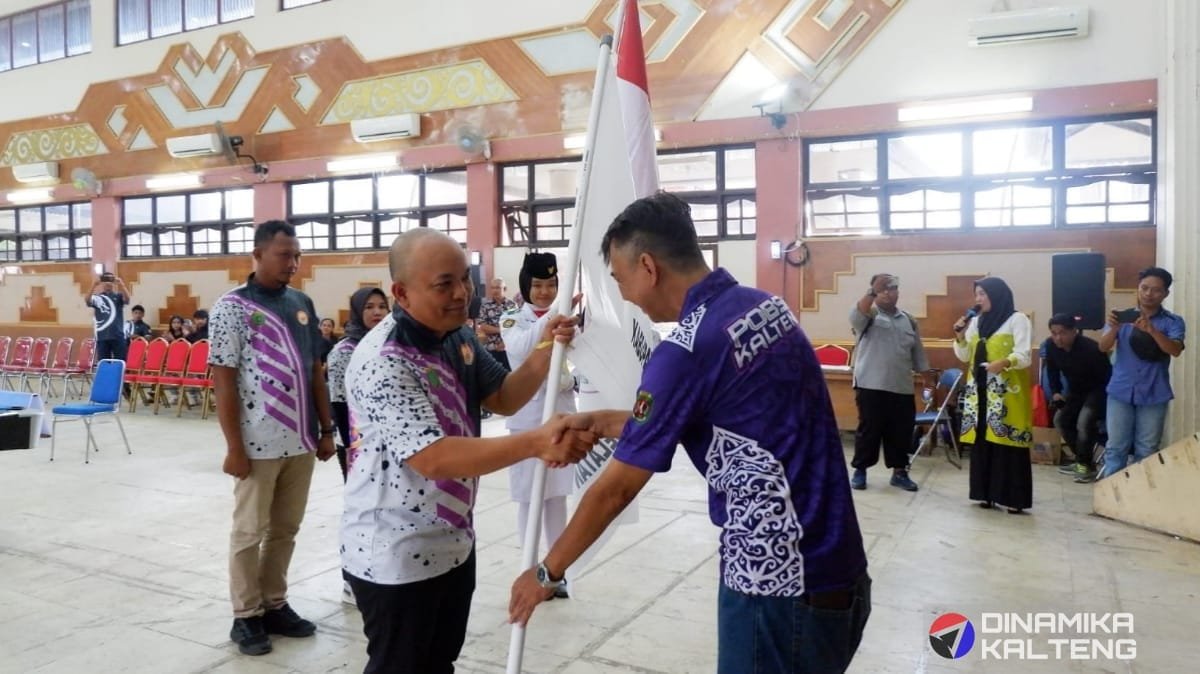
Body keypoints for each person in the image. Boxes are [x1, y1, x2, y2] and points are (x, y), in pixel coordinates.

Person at [509, 193, 870, 674]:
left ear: (647, 266)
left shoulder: (685, 349)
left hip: (775, 586)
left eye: (620, 280)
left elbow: (615, 490)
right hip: (838, 565)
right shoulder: (764, 308)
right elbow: (713, 416)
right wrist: (598, 422)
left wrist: (545, 572)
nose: (625, 296)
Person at [341, 228, 594, 674]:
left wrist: (545, 347)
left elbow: (503, 396)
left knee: (439, 662)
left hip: (452, 539)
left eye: (465, 280)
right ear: (401, 292)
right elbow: (433, 457)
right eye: (444, 284)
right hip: (395, 549)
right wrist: (535, 441)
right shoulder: (386, 359)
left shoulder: (457, 337)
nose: (462, 294)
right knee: (400, 665)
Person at [208, 220, 336, 657]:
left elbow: (315, 370)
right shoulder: (231, 308)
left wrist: (325, 429)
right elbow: (223, 380)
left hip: (299, 442)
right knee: (249, 531)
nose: (293, 264)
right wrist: (233, 448)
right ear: (258, 254)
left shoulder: (302, 303)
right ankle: (246, 616)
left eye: (297, 256)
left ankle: (274, 604)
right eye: (285, 255)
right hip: (255, 444)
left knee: (285, 530)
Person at [501, 253, 576, 599]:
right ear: (525, 287)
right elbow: (522, 346)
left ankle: (556, 572)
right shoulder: (512, 320)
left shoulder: (569, 319)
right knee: (530, 500)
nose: (544, 292)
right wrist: (556, 314)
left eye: (551, 286)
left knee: (556, 497)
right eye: (538, 286)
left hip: (561, 418)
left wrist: (571, 379)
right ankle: (529, 568)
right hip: (528, 423)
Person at [953, 277, 1033, 514]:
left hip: (1006, 394)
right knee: (983, 442)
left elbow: (1025, 355)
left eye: (982, 294)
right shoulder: (976, 323)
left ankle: (1013, 498)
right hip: (979, 392)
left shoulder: (1017, 320)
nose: (978, 299)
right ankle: (985, 494)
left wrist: (1005, 362)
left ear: (997, 295)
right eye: (976, 294)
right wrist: (959, 335)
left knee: (1007, 443)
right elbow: (965, 356)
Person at [848, 272, 932, 492]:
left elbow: (918, 354)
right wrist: (871, 291)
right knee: (869, 430)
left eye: (891, 287)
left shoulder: (909, 320)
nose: (887, 292)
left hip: (901, 386)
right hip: (870, 385)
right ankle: (860, 471)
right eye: (882, 288)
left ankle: (899, 473)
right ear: (875, 291)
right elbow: (856, 315)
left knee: (901, 431)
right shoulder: (869, 315)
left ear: (898, 291)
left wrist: (927, 378)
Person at [1099, 267, 1185, 477]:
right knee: (1116, 447)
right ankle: (1111, 501)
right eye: (1144, 288)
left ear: (1165, 294)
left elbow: (1175, 350)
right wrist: (1115, 328)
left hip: (1155, 392)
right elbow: (1102, 347)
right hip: (1120, 391)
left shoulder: (1173, 322)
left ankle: (1139, 503)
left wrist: (1152, 330)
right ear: (1137, 290)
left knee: (1146, 450)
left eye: (1156, 290)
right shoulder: (1121, 317)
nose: (1148, 294)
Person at [327, 287, 390, 477]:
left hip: (387, 438)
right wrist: (350, 448)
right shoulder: (345, 351)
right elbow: (339, 403)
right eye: (369, 307)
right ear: (357, 311)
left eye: (382, 306)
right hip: (357, 442)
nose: (377, 312)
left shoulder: (389, 344)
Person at [1042, 313, 1111, 483]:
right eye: (1054, 333)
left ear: (1074, 332)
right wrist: (1056, 391)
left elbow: (1106, 376)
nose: (1058, 338)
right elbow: (1051, 369)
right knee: (1060, 420)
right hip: (1076, 390)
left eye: (1062, 333)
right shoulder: (1050, 346)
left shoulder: (1090, 348)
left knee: (1084, 422)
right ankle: (1082, 460)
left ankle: (1084, 466)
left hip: (1098, 390)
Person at [85, 271, 130, 362]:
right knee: (104, 362)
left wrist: (122, 285)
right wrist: (93, 285)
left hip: (118, 335)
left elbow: (127, 299)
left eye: (110, 280)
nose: (108, 283)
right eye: (105, 280)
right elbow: (87, 300)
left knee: (120, 361)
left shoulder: (118, 296)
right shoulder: (97, 298)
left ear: (113, 283)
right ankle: (106, 376)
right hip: (102, 336)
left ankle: (119, 376)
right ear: (102, 283)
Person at [476, 277, 517, 370]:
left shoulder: (512, 305)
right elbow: (483, 326)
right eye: (492, 288)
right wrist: (501, 330)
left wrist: (504, 342)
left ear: (504, 289)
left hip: (509, 348)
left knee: (510, 376)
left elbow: (515, 326)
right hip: (491, 348)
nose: (495, 290)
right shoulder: (485, 306)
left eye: (498, 287)